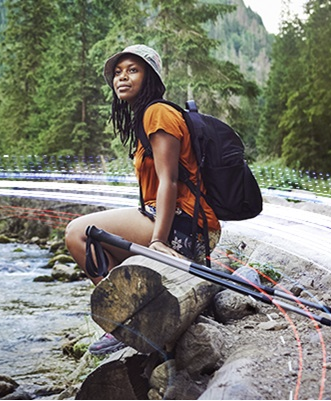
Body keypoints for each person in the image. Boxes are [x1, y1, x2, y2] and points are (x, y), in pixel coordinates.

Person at [63, 44, 221, 355]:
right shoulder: (146, 116)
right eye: (118, 73)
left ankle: (122, 319)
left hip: (184, 226)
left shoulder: (157, 112)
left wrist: (158, 241)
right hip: (183, 223)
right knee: (99, 239)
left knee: (77, 233)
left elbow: (169, 180)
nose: (122, 78)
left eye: (132, 70)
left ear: (150, 78)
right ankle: (137, 316)